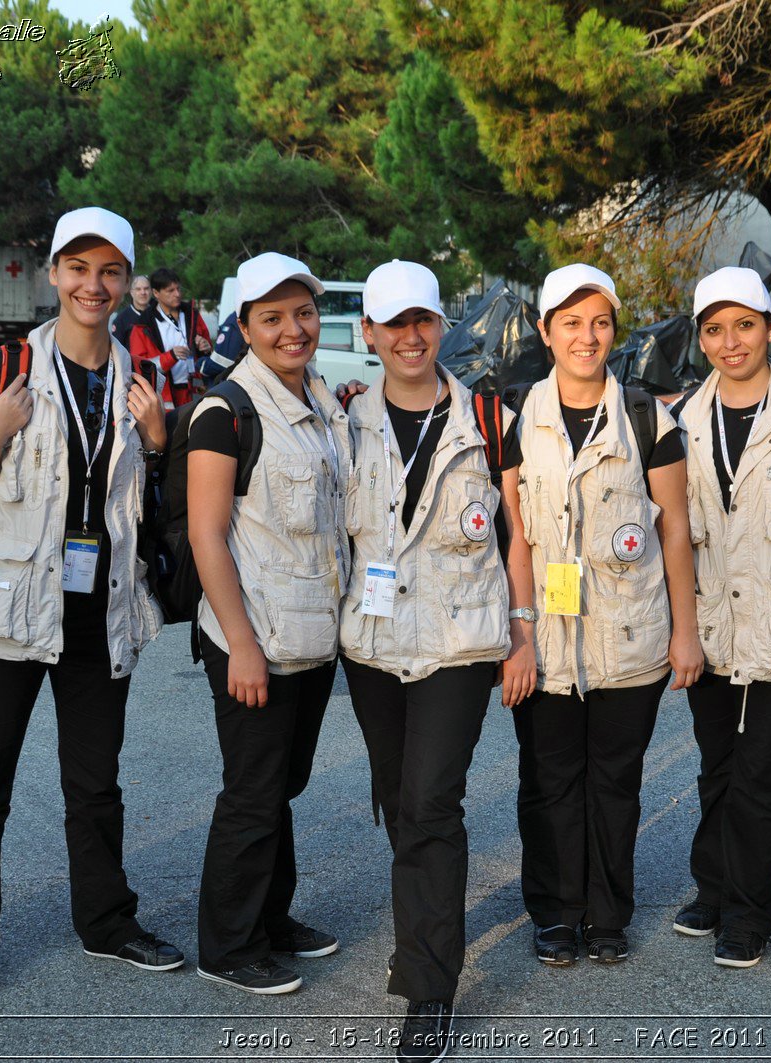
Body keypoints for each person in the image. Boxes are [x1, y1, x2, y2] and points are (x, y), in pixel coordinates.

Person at [0, 207, 175, 1011]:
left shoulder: (145, 375)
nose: (92, 286)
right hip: (5, 608)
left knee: (95, 782)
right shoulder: (1, 368)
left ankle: (107, 920)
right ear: (53, 275)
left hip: (100, 608)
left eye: (109, 272)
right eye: (78, 269)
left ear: (127, 281)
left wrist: (159, 439)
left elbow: (149, 498)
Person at [499, 263, 702, 967]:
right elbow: (514, 535)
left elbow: (675, 528)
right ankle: (555, 912)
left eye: (601, 323)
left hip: (630, 637)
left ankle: (607, 914)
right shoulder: (516, 419)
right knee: (549, 781)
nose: (588, 337)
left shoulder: (649, 417)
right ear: (546, 331)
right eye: (572, 323)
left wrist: (685, 631)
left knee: (614, 786)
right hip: (547, 643)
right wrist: (519, 634)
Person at [337, 259, 511, 1060]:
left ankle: (428, 988)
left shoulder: (488, 416)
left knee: (432, 802)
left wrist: (529, 634)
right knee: (399, 802)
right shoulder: (341, 423)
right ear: (368, 333)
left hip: (458, 640)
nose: (410, 336)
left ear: (442, 325)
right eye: (392, 323)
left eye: (423, 320)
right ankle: (422, 932)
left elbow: (524, 536)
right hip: (373, 645)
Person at [190, 252, 351, 996]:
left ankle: (271, 918)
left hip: (310, 636)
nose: (294, 329)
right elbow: (205, 534)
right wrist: (242, 648)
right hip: (252, 639)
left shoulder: (321, 400)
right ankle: (229, 945)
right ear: (245, 327)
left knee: (279, 786)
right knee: (251, 792)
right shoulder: (225, 410)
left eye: (304, 313)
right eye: (273, 317)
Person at [671, 267, 771, 969]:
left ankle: (751, 909)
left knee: (762, 771)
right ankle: (716, 883)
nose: (730, 342)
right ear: (701, 339)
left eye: (744, 325)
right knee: (717, 765)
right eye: (714, 329)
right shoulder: (680, 422)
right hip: (709, 625)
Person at [129, 267, 212, 409]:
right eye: (170, 291)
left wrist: (206, 348)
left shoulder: (192, 315)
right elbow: (140, 368)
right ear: (156, 293)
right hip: (167, 400)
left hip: (196, 391)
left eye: (178, 289)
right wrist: (171, 356)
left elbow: (210, 350)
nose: (177, 294)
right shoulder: (143, 326)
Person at [110, 273, 150, 347]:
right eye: (138, 289)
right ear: (131, 292)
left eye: (146, 288)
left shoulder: (159, 313)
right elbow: (116, 349)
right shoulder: (121, 320)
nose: (143, 292)